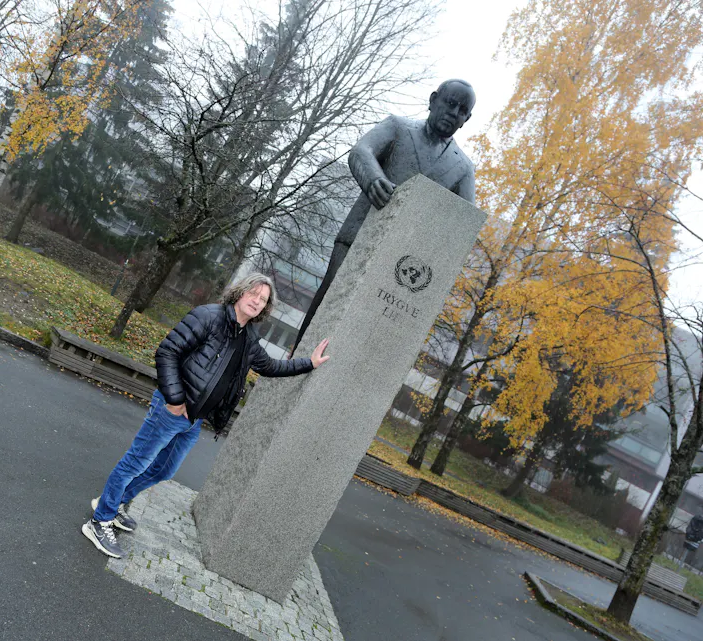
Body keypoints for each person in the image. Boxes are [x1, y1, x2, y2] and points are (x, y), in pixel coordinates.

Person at [82, 273, 331, 558]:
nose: (257, 301)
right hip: (171, 410)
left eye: (263, 300)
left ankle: (113, 503)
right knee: (135, 463)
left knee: (164, 470)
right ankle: (99, 521)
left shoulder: (248, 338)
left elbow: (271, 367)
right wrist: (175, 400)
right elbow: (167, 352)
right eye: (253, 294)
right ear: (240, 292)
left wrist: (309, 363)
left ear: (265, 308)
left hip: (194, 419)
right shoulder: (208, 317)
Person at [294, 79, 476, 349]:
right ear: (433, 100)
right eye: (450, 103)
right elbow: (361, 150)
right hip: (357, 238)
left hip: (402, 266)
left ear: (466, 119)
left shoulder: (463, 168)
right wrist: (372, 179)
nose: (453, 113)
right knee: (327, 307)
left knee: (366, 332)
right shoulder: (398, 127)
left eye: (462, 110)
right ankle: (297, 363)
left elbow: (464, 225)